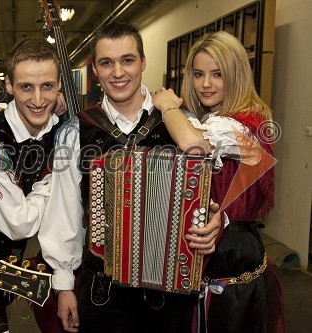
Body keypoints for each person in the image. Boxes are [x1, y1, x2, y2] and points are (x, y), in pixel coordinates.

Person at [36, 21, 222, 333]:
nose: (118, 73)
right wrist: (64, 285)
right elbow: (64, 213)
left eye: (128, 60)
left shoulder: (180, 122)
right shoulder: (74, 131)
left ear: (143, 62)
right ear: (95, 68)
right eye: (107, 63)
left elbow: (203, 192)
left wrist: (212, 221)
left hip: (168, 290)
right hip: (102, 293)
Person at [151, 30, 284, 333]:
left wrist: (168, 104)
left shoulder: (238, 124)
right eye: (198, 74)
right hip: (224, 245)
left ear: (235, 75)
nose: (206, 84)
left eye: (217, 74)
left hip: (233, 252)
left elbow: (190, 142)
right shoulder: (225, 119)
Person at [0, 36, 67, 333]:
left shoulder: (61, 127)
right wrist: (55, 178)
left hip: (13, 268)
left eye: (47, 86)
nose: (37, 99)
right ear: (8, 86)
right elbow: (20, 223)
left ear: (59, 87)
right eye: (25, 87)